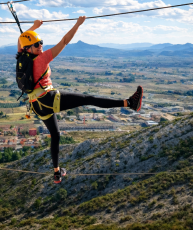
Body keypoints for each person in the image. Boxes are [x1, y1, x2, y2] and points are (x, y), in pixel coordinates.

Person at [17, 17, 143, 184]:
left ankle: (57, 172)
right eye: (37, 44)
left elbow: (21, 40)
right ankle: (129, 103)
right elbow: (64, 41)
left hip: (36, 105)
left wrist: (34, 27)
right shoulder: (41, 59)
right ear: (29, 49)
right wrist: (77, 24)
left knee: (55, 134)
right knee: (88, 99)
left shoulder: (21, 58)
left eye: (41, 42)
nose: (41, 46)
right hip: (48, 99)